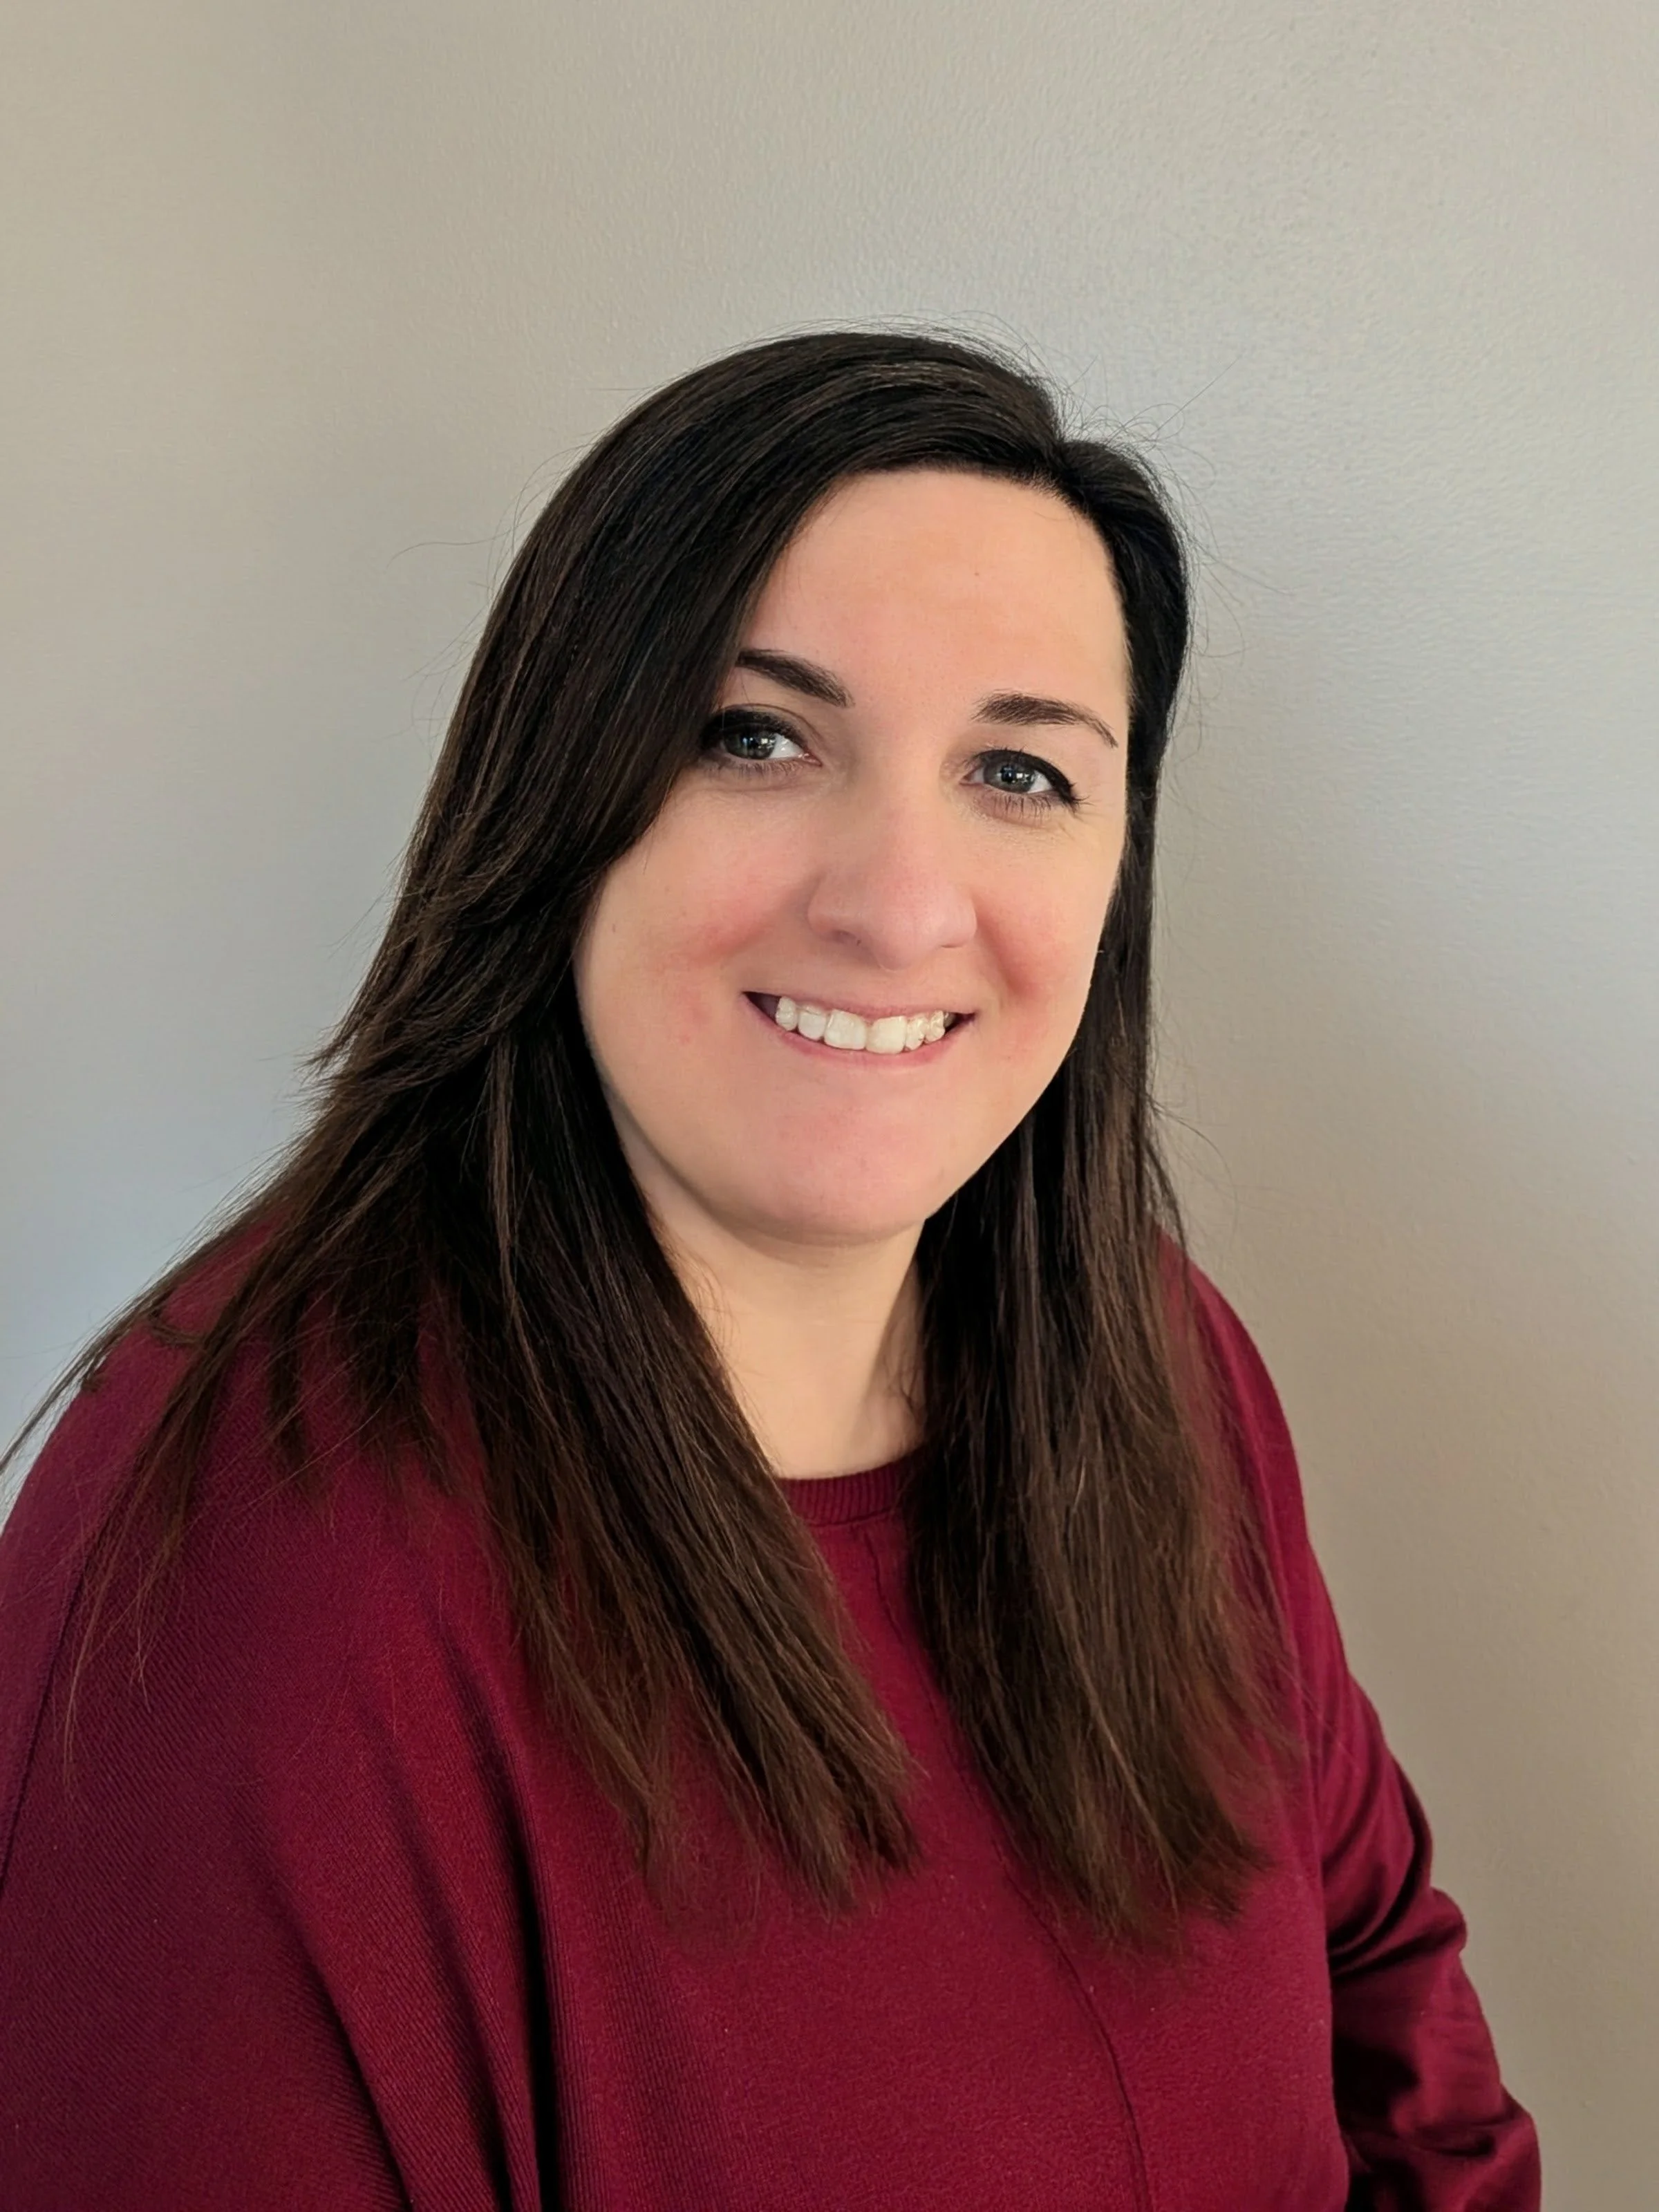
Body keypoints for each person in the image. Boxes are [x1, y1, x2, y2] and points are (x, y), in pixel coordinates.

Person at [0, 330, 1540, 2210]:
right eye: (757, 738)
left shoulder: (1144, 1351)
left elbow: (1383, 1997)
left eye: (1022, 772)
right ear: (556, 804)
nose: (898, 903)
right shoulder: (242, 1590)